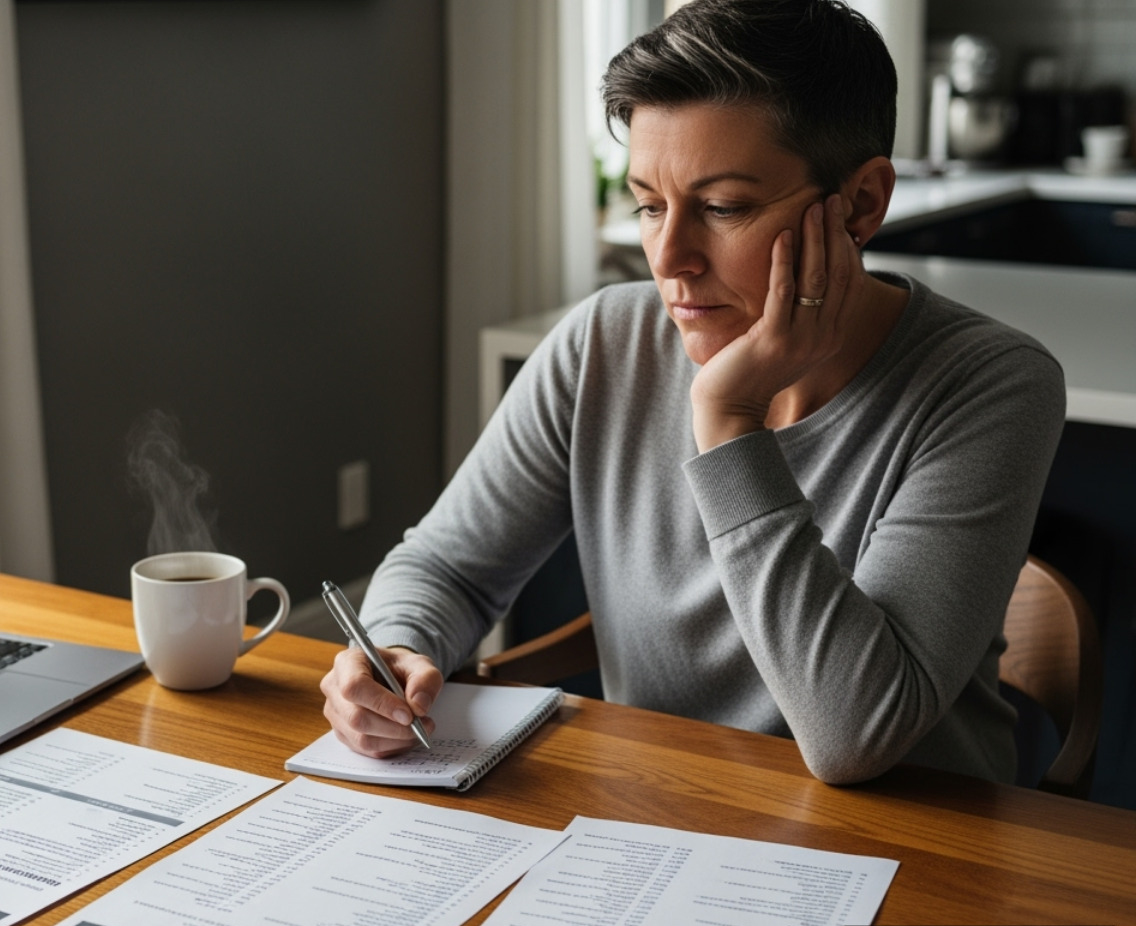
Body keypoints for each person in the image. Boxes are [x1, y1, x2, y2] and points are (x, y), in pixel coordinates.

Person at [318, 0, 1064, 785]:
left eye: (722, 207)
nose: (669, 256)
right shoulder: (603, 343)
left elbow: (855, 735)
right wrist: (395, 645)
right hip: (663, 831)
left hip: (914, 857)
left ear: (861, 204)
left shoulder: (993, 386)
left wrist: (727, 419)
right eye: (648, 203)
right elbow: (450, 568)